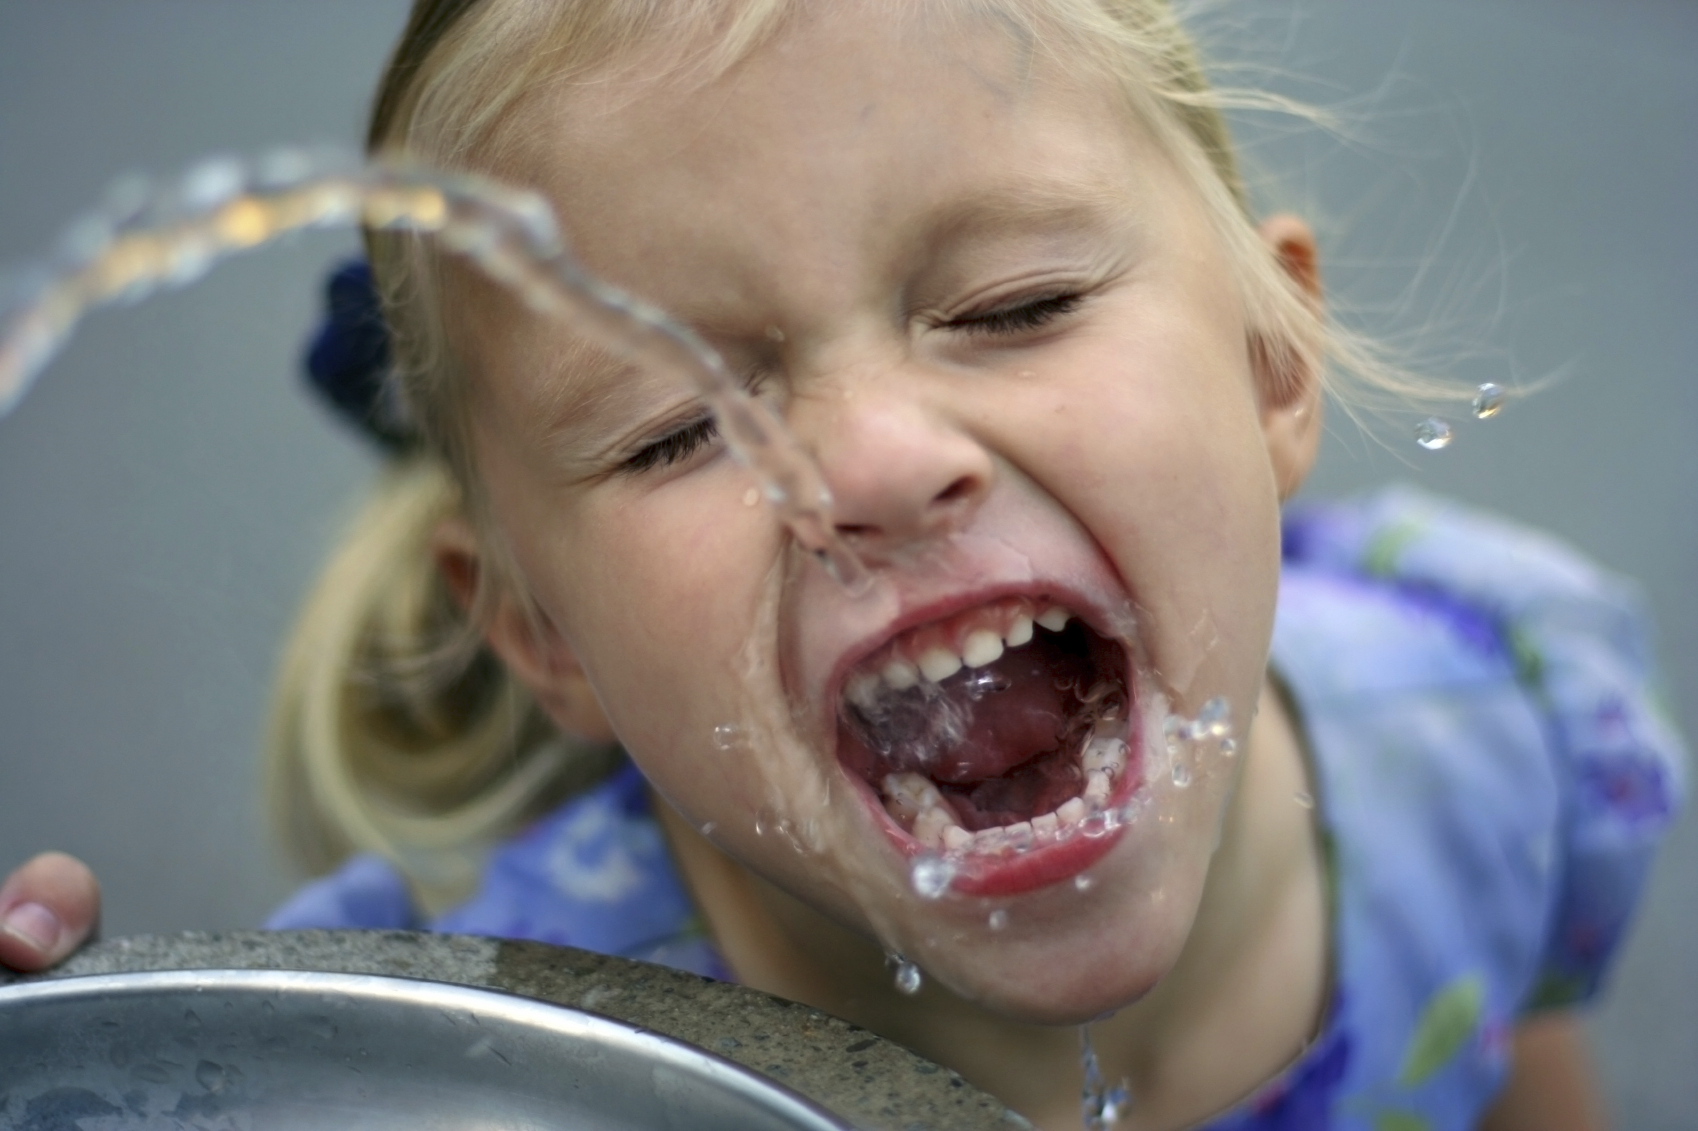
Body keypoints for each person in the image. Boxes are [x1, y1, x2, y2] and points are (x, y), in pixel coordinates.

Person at [3, 1, 1686, 1127]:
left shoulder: (1494, 724)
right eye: (673, 432)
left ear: (1270, 363)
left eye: (1011, 307)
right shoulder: (456, 1065)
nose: (867, 467)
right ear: (537, 628)